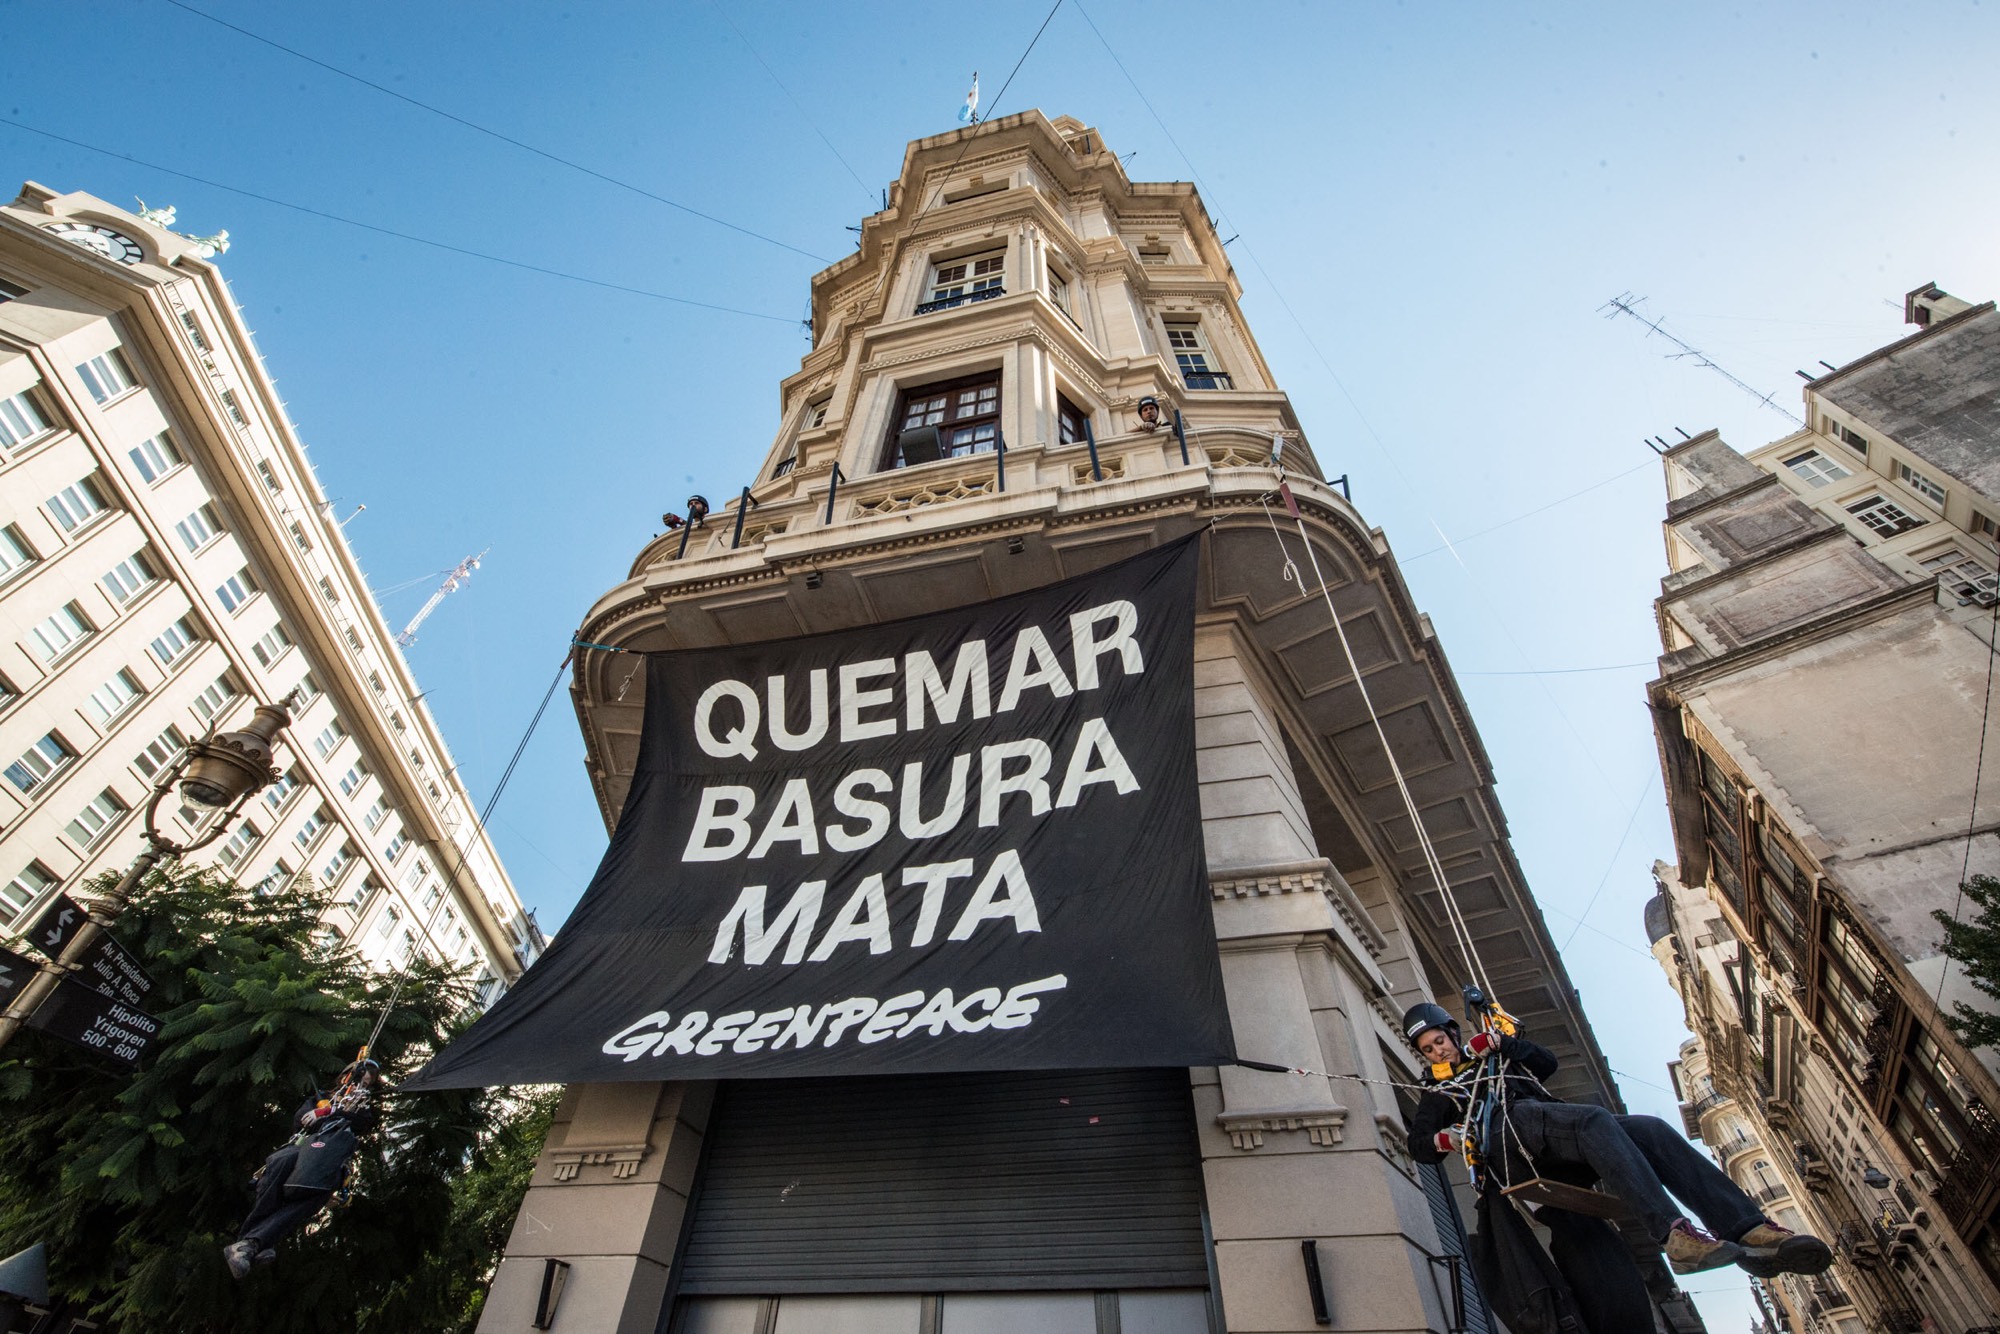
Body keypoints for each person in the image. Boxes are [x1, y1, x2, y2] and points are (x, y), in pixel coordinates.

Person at [1401, 1001, 1833, 1279]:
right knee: (1588, 1119)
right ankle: (1674, 1236)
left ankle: (1748, 1229)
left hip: (1550, 1140)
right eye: (1428, 1049)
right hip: (1510, 1146)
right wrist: (1448, 1137)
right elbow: (1418, 1146)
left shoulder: (1493, 1058)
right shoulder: (1438, 1093)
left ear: (1453, 1035)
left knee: (1649, 1129)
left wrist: (1506, 1044)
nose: (1438, 1051)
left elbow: (1545, 1065)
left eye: (1440, 1040)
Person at [222, 1059, 384, 1279]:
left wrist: (326, 1114)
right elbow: (302, 1121)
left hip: (326, 1162)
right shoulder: (322, 1098)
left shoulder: (360, 1109)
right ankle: (254, 1243)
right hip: (300, 1149)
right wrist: (323, 1111)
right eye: (359, 1081)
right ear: (346, 1078)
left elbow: (357, 1123)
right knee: (278, 1170)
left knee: (313, 1196)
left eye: (366, 1084)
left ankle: (252, 1244)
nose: (360, 1087)